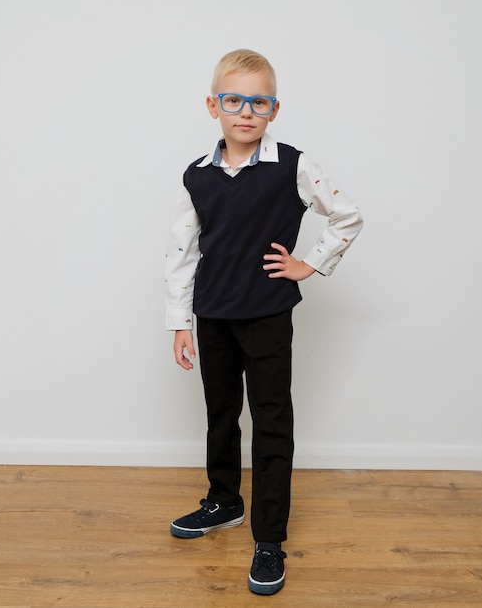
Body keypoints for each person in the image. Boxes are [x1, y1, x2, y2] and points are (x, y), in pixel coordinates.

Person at [164, 48, 363, 595]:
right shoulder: (197, 176)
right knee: (221, 414)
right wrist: (179, 322)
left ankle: (269, 537)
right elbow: (182, 251)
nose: (246, 111)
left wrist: (310, 264)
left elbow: (348, 216)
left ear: (273, 109)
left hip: (269, 316)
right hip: (213, 316)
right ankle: (224, 501)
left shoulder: (293, 165)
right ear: (214, 106)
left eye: (259, 101)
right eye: (234, 100)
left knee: (272, 422)